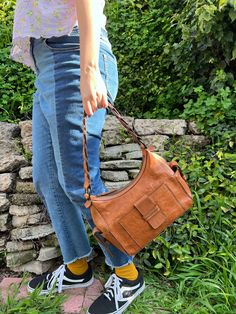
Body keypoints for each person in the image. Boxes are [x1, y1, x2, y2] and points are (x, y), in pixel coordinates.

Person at [10, 1, 145, 313]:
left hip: (73, 55)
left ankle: (127, 274)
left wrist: (89, 68)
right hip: (47, 63)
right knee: (48, 178)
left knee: (78, 181)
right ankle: (77, 268)